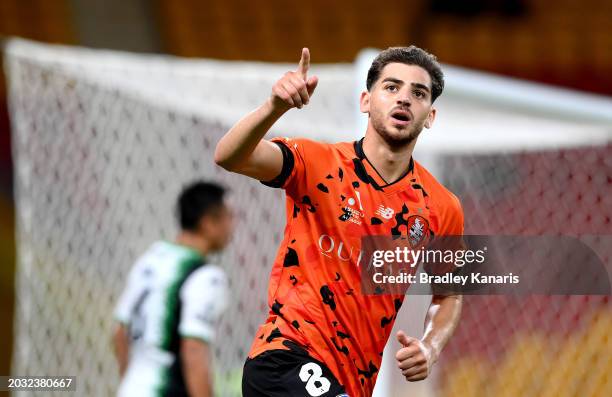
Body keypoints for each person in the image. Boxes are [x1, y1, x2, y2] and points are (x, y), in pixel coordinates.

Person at [215, 46, 463, 397]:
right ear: (365, 101)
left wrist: (430, 345)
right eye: (391, 87)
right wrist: (274, 107)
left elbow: (449, 293)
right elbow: (229, 156)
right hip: (285, 357)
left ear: (430, 116)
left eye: (418, 93)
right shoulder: (316, 163)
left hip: (352, 382)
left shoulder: (441, 206)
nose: (404, 99)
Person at [112, 181, 233, 397]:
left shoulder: (152, 259)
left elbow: (119, 332)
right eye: (228, 217)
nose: (232, 226)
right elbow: (193, 349)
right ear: (208, 222)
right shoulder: (206, 277)